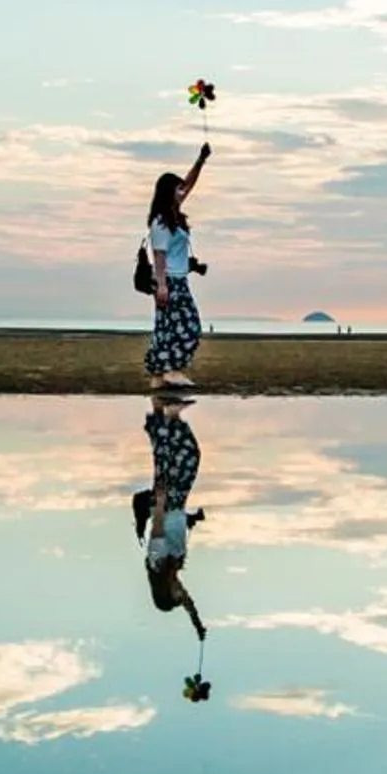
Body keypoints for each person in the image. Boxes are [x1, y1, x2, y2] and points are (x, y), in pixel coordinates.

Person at [137, 395, 207, 647]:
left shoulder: (158, 563)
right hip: (178, 505)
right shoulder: (173, 566)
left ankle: (165, 409)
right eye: (180, 595)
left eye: (176, 594)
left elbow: (157, 529)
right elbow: (189, 601)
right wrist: (197, 625)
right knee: (178, 456)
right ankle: (171, 413)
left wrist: (160, 499)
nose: (181, 592)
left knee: (174, 456)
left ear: (166, 590)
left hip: (166, 502)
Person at [145, 142, 213, 390]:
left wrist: (200, 160)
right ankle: (171, 370)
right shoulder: (162, 222)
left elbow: (190, 184)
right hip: (169, 280)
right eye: (177, 189)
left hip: (175, 279)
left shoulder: (173, 216)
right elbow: (159, 255)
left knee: (166, 328)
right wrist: (162, 285)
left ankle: (159, 375)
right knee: (189, 326)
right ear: (168, 192)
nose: (182, 192)